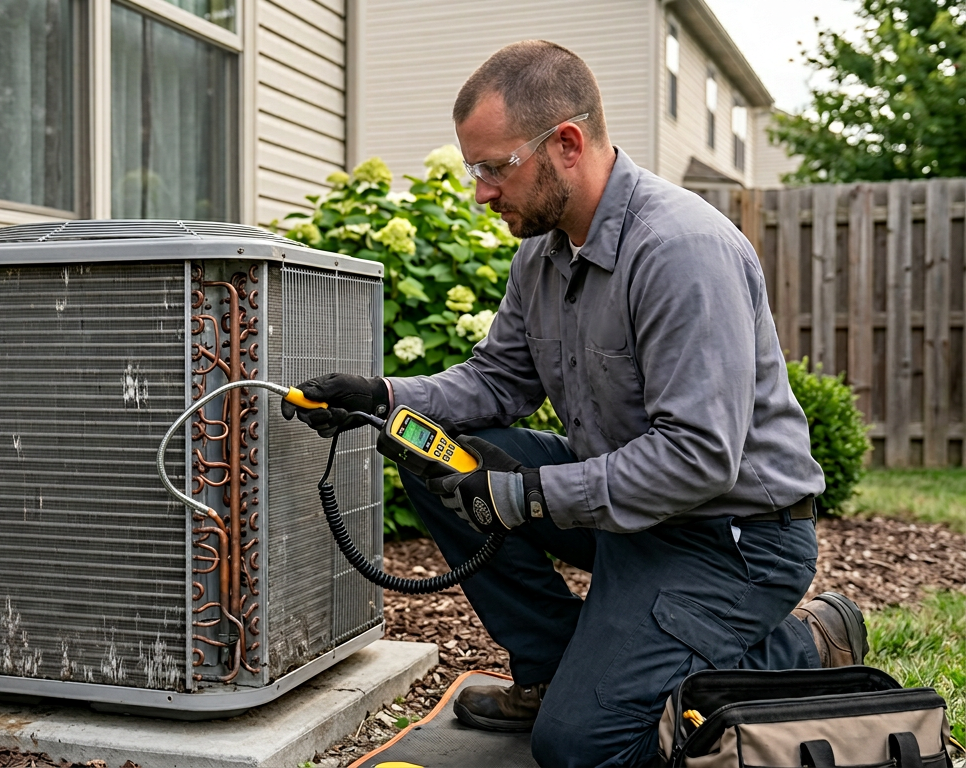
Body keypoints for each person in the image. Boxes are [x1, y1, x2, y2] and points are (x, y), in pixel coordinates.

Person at [283, 40, 868, 768]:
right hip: (631, 512)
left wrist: (525, 496)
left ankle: (801, 642)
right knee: (428, 452)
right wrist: (384, 395)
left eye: (496, 168)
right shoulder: (544, 252)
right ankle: (559, 667)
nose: (481, 193)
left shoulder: (679, 250)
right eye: (476, 169)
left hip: (731, 538)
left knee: (581, 749)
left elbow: (699, 458)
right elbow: (499, 381)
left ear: (565, 143)